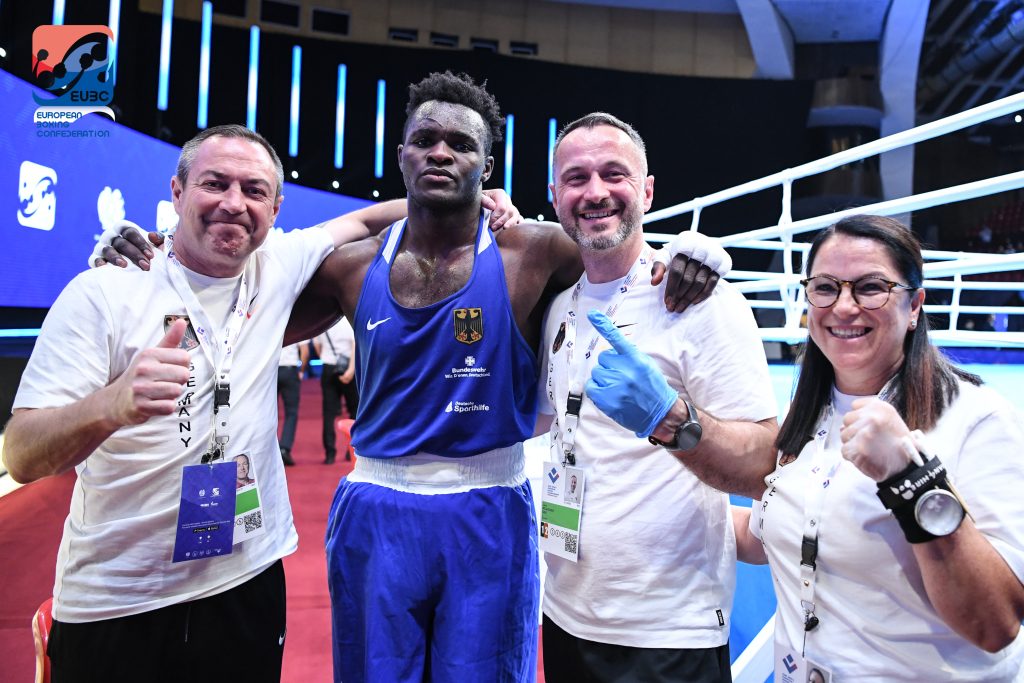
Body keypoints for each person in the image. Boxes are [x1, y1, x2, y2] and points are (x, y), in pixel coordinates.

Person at [284, 74, 723, 683]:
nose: (441, 153)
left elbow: (622, 254)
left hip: (489, 508)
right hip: (376, 504)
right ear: (402, 154)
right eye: (425, 141)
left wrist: (689, 254)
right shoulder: (352, 267)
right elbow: (250, 313)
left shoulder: (534, 252)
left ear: (487, 166)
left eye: (461, 145)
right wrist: (155, 260)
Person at [0, 123, 462, 683]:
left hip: (246, 583)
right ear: (177, 192)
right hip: (117, 599)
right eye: (215, 184)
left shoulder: (277, 266)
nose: (234, 204)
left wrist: (476, 200)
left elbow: (368, 221)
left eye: (254, 190)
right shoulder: (105, 291)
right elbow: (22, 454)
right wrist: (112, 404)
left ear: (275, 208)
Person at [536, 112, 778, 683]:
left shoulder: (699, 302)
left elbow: (765, 464)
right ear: (554, 195)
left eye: (613, 174)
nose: (595, 192)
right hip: (565, 610)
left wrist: (673, 420)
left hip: (668, 628)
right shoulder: (558, 307)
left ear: (646, 191)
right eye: (576, 178)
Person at [734, 215, 1024, 681]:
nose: (844, 306)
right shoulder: (805, 414)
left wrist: (911, 479)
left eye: (871, 288)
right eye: (826, 287)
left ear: (914, 307)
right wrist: (657, 451)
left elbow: (996, 624)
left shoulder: (977, 418)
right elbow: (763, 536)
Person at [313, 319, 358, 464]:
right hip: (348, 368)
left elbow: (317, 345)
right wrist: (351, 370)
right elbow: (355, 345)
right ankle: (352, 450)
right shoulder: (349, 320)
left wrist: (328, 358)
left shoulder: (324, 321)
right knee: (354, 411)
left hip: (328, 368)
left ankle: (330, 454)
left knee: (329, 413)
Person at [277, 341, 308, 466]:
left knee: (268, 412)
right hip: (290, 370)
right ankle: (284, 448)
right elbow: (305, 351)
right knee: (291, 412)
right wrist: (301, 370)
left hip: (271, 371)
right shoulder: (295, 327)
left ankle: (270, 450)